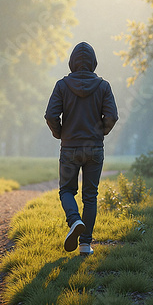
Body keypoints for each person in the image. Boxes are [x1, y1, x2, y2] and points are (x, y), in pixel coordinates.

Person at [44, 42, 118, 256]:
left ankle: (74, 220)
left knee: (67, 190)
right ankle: (85, 245)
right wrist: (100, 133)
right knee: (90, 196)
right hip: (94, 148)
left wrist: (60, 133)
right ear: (94, 62)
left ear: (72, 62)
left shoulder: (62, 86)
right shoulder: (104, 86)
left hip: (69, 148)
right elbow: (112, 116)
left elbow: (51, 115)